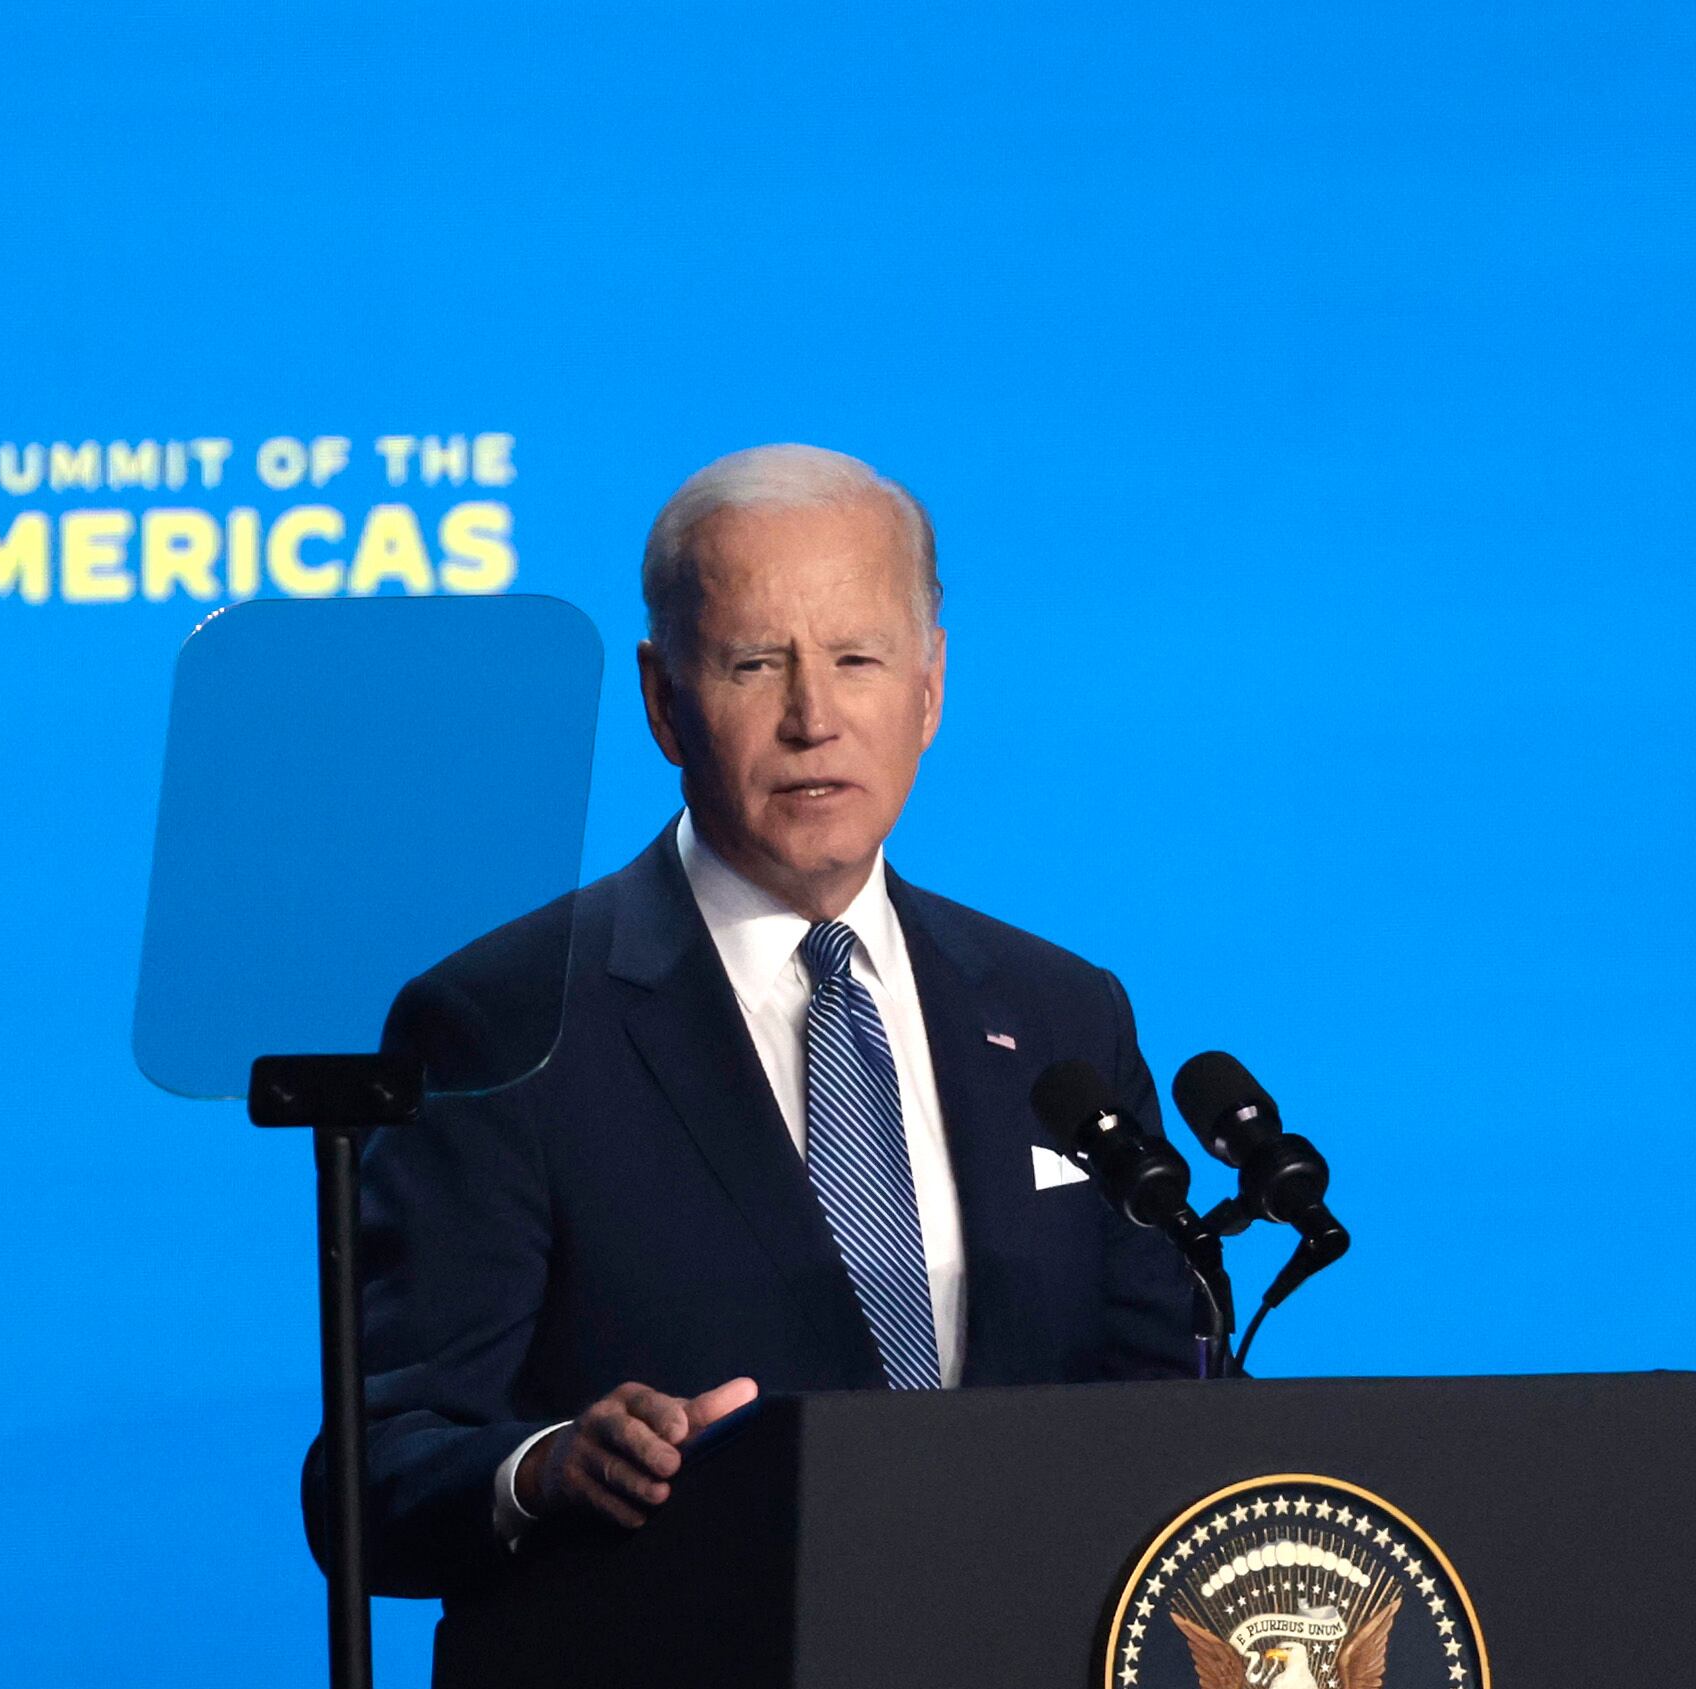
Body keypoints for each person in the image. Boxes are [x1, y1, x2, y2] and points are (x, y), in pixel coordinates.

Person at [305, 445, 1201, 1596]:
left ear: (930, 689)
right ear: (663, 700)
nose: (812, 717)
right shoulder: (502, 1022)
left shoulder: (1060, 1012)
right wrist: (546, 1470)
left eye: (857, 659)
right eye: (754, 664)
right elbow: (375, 1471)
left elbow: (1158, 1410)